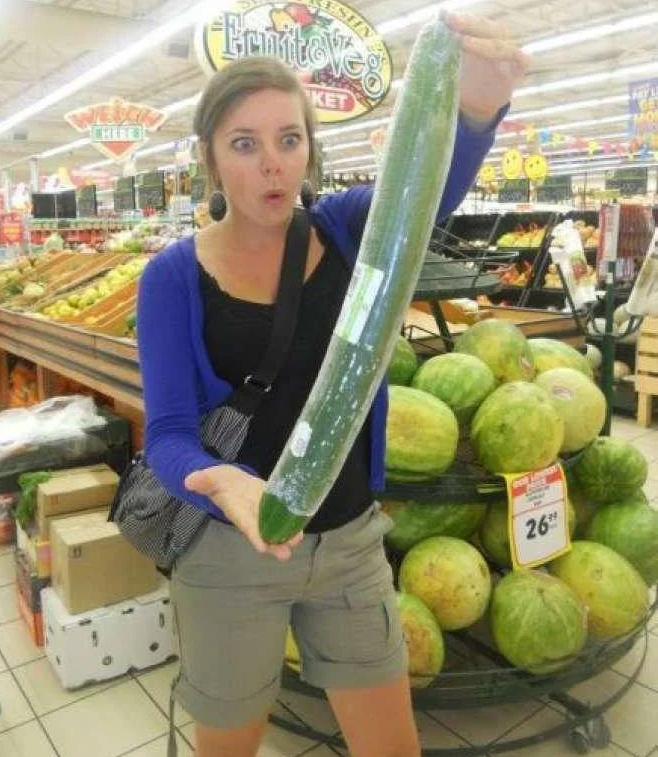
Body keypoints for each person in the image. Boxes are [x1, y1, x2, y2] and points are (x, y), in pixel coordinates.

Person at [138, 11, 529, 757]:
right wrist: (220, 482)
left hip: (349, 541)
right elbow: (167, 435)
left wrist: (477, 110)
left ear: (310, 149)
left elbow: (425, 193)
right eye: (245, 144)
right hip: (227, 551)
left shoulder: (347, 230)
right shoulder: (171, 278)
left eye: (289, 140)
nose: (272, 165)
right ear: (210, 157)